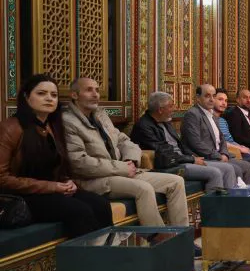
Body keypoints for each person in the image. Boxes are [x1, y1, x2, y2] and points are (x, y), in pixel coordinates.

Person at [63, 78, 188, 227]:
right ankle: (158, 236)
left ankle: (181, 234)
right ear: (74, 95)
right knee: (144, 188)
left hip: (121, 171)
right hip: (94, 179)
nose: (95, 94)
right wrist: (122, 168)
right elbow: (79, 163)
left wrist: (131, 160)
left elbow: (123, 140)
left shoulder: (100, 115)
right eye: (89, 90)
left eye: (97, 90)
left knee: (176, 182)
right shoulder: (68, 121)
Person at [0, 74, 112, 237]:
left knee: (100, 204)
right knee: (79, 210)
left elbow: (57, 165)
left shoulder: (53, 126)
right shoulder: (10, 128)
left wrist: (67, 182)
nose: (49, 98)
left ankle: (108, 250)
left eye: (54, 95)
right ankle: (86, 254)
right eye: (41, 93)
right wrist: (52, 187)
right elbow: (2, 179)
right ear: (26, 96)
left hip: (52, 190)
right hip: (21, 196)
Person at [131, 91, 232, 193]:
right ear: (160, 110)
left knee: (227, 168)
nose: (174, 109)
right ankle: (214, 203)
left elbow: (180, 145)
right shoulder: (144, 127)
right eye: (171, 106)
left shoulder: (165, 121)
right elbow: (164, 153)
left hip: (183, 159)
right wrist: (191, 160)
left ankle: (231, 201)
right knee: (214, 173)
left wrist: (192, 156)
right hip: (170, 165)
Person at [180, 85, 250, 188]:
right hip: (203, 157)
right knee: (234, 169)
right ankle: (232, 197)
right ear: (198, 98)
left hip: (218, 155)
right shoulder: (192, 114)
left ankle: (248, 196)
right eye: (207, 96)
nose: (211, 99)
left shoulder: (211, 114)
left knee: (247, 166)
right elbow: (196, 143)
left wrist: (224, 153)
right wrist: (218, 156)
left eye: (214, 96)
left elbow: (222, 138)